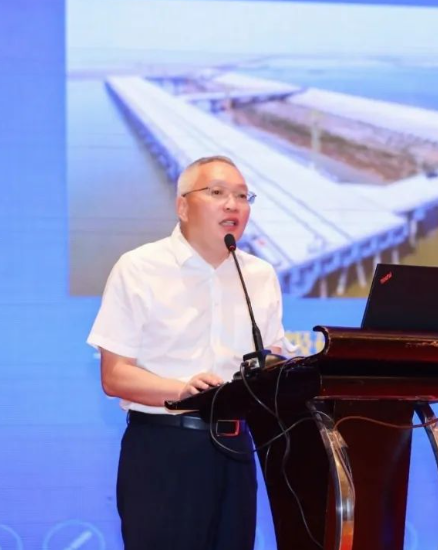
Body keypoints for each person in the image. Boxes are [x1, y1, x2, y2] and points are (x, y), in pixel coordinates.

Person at [87, 155, 289, 550]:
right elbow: (114, 375)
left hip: (236, 449)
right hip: (164, 449)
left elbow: (271, 359)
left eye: (243, 196)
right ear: (183, 206)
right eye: (217, 193)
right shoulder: (139, 268)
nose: (233, 205)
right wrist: (182, 390)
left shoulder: (259, 276)